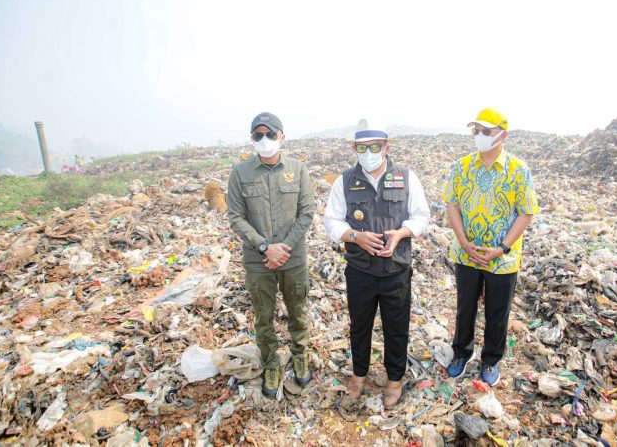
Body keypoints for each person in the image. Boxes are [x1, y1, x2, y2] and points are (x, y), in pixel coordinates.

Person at [324, 120, 430, 409]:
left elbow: (421, 216)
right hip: (360, 270)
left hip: (396, 270)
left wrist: (402, 233)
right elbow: (331, 220)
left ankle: (394, 380)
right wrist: (355, 236)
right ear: (354, 148)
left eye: (375, 146)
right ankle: (358, 376)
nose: (369, 152)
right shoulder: (344, 181)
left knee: (397, 327)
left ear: (386, 147)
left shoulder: (406, 178)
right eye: (362, 147)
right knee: (360, 326)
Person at [443, 107, 539, 386]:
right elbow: (452, 203)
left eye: (486, 131)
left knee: (498, 311)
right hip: (467, 254)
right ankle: (461, 353)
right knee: (465, 307)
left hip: (502, 259)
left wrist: (503, 248)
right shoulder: (462, 167)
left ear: (502, 135)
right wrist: (463, 241)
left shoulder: (518, 170)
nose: (480, 136)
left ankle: (491, 360)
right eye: (477, 131)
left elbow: (526, 212)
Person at [227, 112, 316, 397]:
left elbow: (306, 214)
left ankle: (300, 355)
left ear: (282, 136)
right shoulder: (240, 173)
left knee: (297, 311)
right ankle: (270, 363)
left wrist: (283, 248)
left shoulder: (298, 170)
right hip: (258, 261)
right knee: (263, 317)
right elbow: (236, 217)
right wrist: (266, 247)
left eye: (270, 134)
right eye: (258, 135)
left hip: (293, 259)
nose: (264, 140)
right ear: (252, 139)